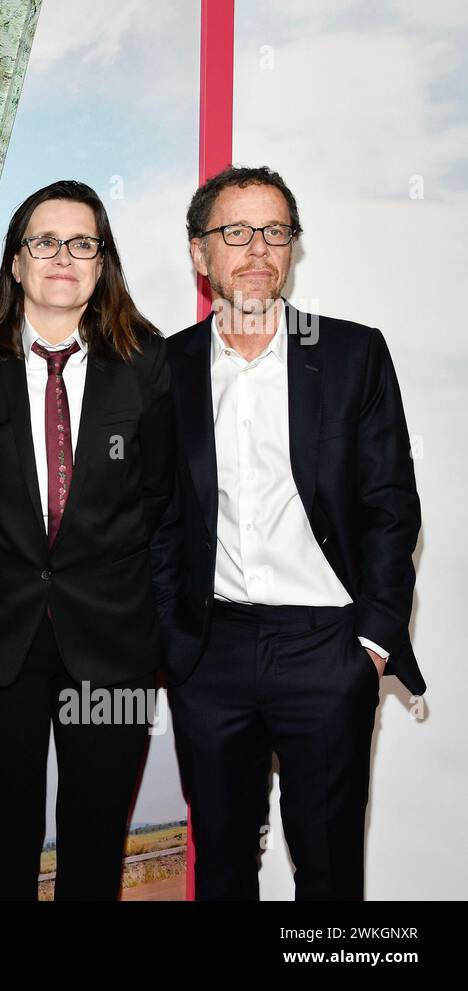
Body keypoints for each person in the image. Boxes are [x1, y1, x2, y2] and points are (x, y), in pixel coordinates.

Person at [151, 165, 423, 900]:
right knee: (224, 869)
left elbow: (391, 505)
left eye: (275, 232)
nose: (257, 250)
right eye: (234, 232)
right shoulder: (163, 367)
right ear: (198, 252)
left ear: (294, 248)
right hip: (211, 652)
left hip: (327, 648)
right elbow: (156, 518)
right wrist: (177, 640)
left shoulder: (351, 354)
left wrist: (370, 643)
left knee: (331, 872)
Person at [0, 180, 173, 900]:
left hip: (113, 642)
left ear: (102, 262)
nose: (63, 257)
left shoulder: (147, 363)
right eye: (44, 241)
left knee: (96, 842)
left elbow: (161, 497)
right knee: (6, 842)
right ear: (15, 262)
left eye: (83, 243)